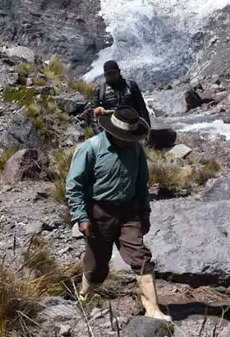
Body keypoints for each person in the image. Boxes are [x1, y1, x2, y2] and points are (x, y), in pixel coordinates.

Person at [65, 106, 170, 321]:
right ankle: (85, 298)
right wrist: (81, 217)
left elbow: (142, 185)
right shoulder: (91, 148)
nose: (128, 141)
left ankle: (152, 309)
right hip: (99, 213)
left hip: (128, 213)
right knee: (96, 266)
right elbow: (74, 184)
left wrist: (145, 215)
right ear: (112, 132)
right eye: (124, 137)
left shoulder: (136, 150)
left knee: (140, 257)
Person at [92, 61, 151, 126]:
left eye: (114, 73)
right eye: (109, 74)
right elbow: (94, 112)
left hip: (131, 125)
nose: (112, 76)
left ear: (119, 72)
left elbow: (142, 108)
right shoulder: (100, 90)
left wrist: (147, 127)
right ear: (105, 75)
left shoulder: (130, 85)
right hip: (111, 128)